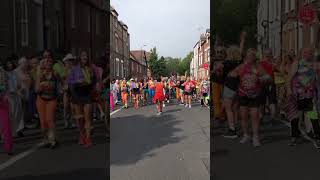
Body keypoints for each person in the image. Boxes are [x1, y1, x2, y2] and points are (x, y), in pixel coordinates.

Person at [230, 48, 271, 147]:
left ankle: (255, 137)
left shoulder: (258, 67)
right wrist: (235, 74)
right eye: (247, 56)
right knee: (243, 116)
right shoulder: (242, 67)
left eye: (251, 56)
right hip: (243, 94)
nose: (249, 58)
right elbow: (232, 74)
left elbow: (268, 77)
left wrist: (260, 77)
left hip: (255, 95)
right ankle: (246, 135)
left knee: (254, 116)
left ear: (254, 57)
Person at [286, 48, 318, 147]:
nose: (307, 54)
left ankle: (317, 136)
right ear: (302, 54)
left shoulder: (314, 64)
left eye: (309, 52)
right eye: (305, 52)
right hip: (297, 94)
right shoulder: (297, 63)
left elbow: (316, 79)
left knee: (313, 115)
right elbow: (289, 78)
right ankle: (294, 137)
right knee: (295, 116)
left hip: (309, 94)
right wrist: (289, 90)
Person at [68, 51, 96, 147]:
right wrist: (78, 82)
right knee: (80, 118)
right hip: (77, 94)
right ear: (80, 58)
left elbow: (95, 81)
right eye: (83, 55)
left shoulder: (91, 69)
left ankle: (88, 138)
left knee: (87, 117)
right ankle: (82, 135)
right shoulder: (74, 70)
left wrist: (92, 84)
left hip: (87, 94)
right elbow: (70, 83)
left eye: (86, 56)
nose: (85, 57)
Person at [35, 55, 59, 149]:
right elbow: (36, 89)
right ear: (43, 64)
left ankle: (52, 140)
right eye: (46, 62)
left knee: (50, 119)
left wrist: (64, 87)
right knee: (43, 122)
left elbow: (62, 82)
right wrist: (42, 86)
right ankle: (45, 139)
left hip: (52, 99)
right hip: (41, 100)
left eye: (50, 62)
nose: (48, 64)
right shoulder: (40, 74)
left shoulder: (55, 73)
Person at [0, 65, 13, 155]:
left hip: (2, 100)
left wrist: (6, 95)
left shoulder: (2, 72)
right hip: (3, 99)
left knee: (6, 125)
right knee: (5, 125)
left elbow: (6, 87)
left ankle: (8, 148)